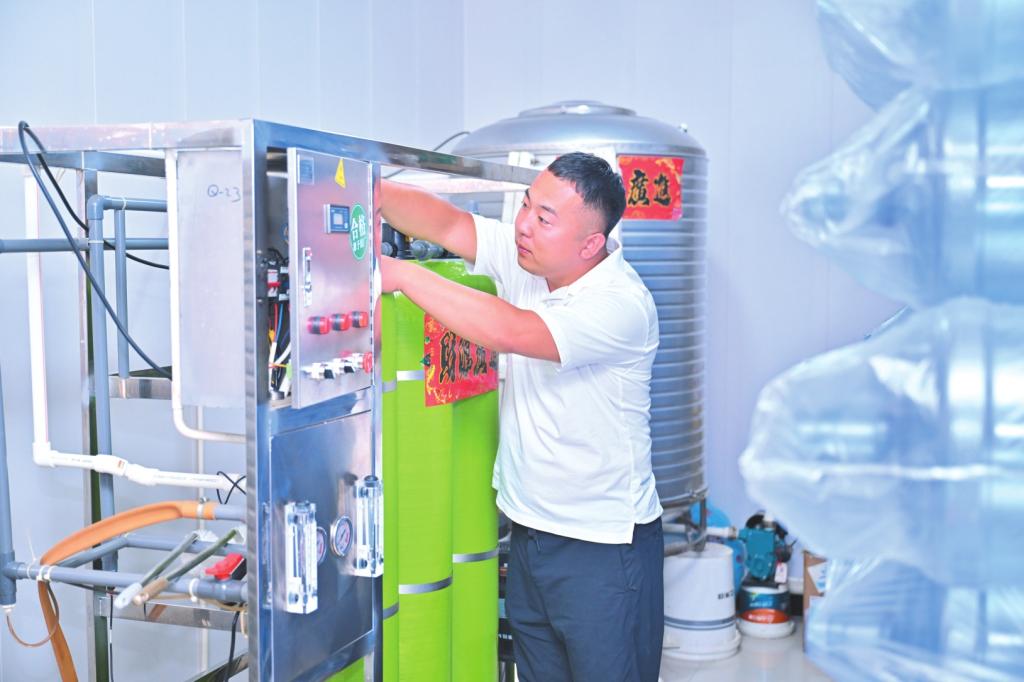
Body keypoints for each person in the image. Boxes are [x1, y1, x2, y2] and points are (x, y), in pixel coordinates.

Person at [381, 152, 664, 681]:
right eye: (527, 205)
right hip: (530, 534)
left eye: (544, 218)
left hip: (601, 549)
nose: (523, 225)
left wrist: (399, 275)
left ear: (590, 245)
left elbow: (509, 331)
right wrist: (369, 194)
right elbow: (449, 224)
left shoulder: (620, 304)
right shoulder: (533, 261)